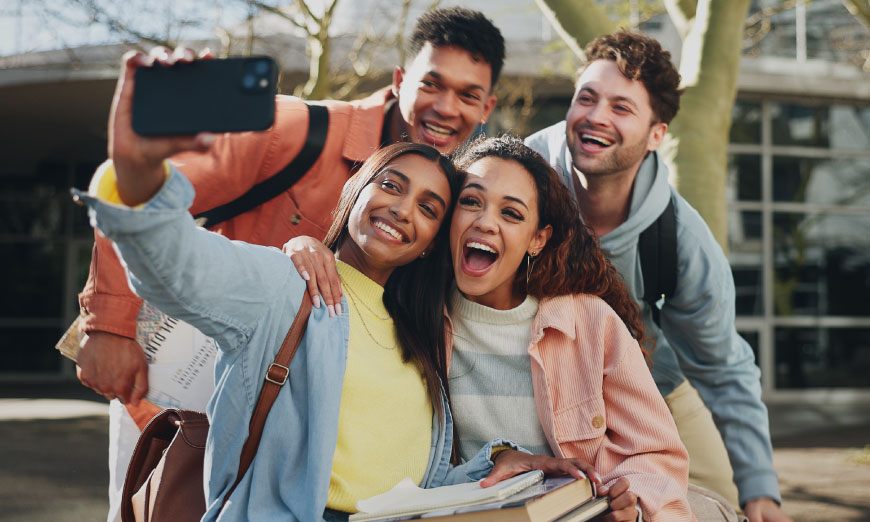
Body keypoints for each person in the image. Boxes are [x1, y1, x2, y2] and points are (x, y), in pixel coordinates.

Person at [77, 53, 592, 520]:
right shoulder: (287, 286)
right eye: (391, 185)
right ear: (356, 189)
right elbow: (169, 259)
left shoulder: (422, 337)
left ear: (435, 242)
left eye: (430, 208)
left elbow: (423, 485)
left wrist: (500, 459)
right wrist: (138, 169)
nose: (401, 209)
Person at [285, 135, 695, 522]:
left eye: (511, 213)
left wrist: (633, 505)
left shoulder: (587, 323)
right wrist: (304, 246)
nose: (485, 222)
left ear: (537, 239)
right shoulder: (416, 313)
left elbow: (655, 453)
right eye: (471, 202)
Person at [524, 31, 791, 522]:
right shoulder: (521, 176)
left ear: (656, 135)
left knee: (723, 507)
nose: (596, 116)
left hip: (656, 385)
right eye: (587, 97)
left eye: (622, 108)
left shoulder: (681, 241)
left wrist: (761, 489)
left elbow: (725, 368)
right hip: (538, 379)